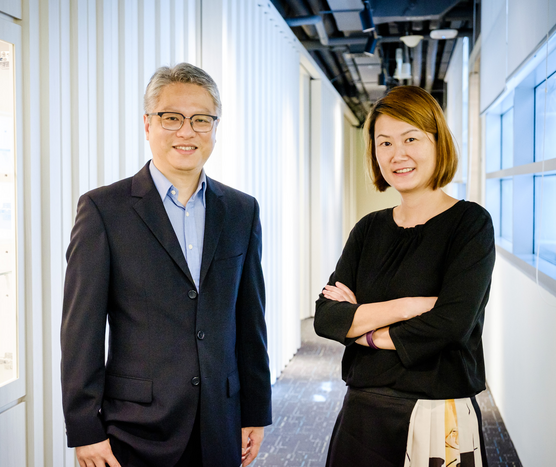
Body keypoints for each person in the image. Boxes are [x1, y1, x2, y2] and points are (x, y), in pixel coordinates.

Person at [60, 63, 272, 467]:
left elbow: (250, 320)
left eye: (201, 120)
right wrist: (85, 428)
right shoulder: (104, 209)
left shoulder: (242, 210)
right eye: (171, 118)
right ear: (147, 124)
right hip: (135, 427)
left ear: (215, 126)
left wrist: (255, 411)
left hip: (221, 420)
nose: (186, 131)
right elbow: (80, 330)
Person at [314, 85, 495, 467]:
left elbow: (450, 325)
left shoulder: (470, 224)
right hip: (362, 411)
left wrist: (362, 327)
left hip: (436, 411)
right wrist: (410, 306)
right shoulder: (368, 229)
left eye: (410, 138)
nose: (398, 155)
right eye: (384, 143)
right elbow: (327, 317)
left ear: (437, 141)